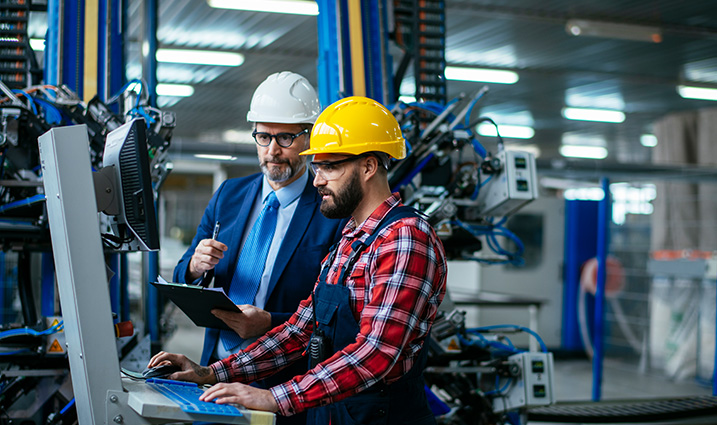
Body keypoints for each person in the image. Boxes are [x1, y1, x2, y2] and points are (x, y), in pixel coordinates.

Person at [153, 96, 448, 425]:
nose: (318, 180)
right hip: (331, 413)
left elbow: (376, 354)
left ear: (368, 167)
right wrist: (211, 372)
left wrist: (273, 397)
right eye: (317, 167)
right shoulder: (351, 238)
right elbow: (302, 330)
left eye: (331, 166)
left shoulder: (404, 238)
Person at [172, 71, 345, 425]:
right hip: (216, 368)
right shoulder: (229, 195)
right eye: (263, 136)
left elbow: (335, 317)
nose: (272, 151)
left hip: (284, 385)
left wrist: (268, 324)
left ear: (309, 137)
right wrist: (194, 265)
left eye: (285, 137)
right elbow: (181, 273)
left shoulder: (332, 211)